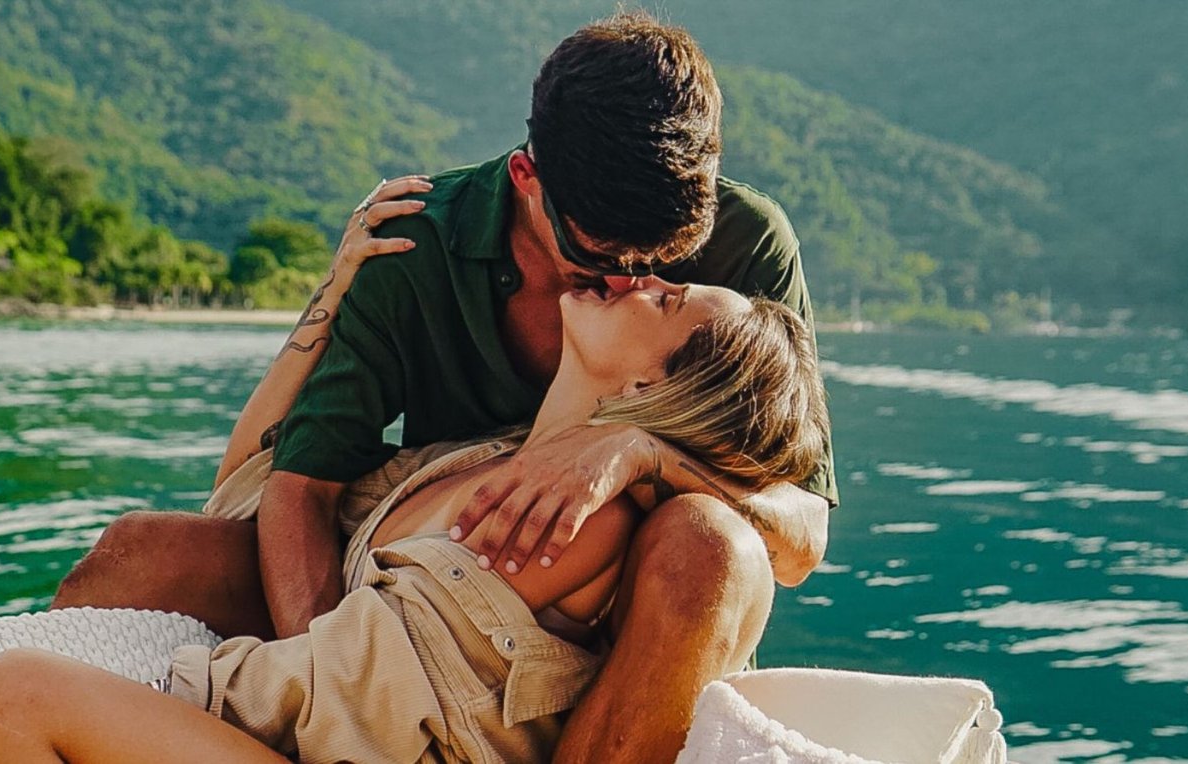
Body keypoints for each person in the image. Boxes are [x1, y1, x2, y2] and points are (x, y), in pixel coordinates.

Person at [49, 12, 840, 759]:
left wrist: (641, 455)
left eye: (666, 265)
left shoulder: (745, 257)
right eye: (602, 258)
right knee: (138, 555)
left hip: (626, 618)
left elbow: (801, 541)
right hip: (422, 582)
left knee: (711, 543)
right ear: (528, 178)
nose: (634, 279)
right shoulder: (418, 237)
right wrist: (332, 683)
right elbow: (300, 488)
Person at [0, 275, 830, 763]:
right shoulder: (482, 464)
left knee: (10, 698)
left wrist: (158, 694)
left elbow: (347, 708)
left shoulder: (564, 524)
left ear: (646, 389)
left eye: (666, 301)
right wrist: (342, 285)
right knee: (41, 664)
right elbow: (248, 486)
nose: (642, 277)